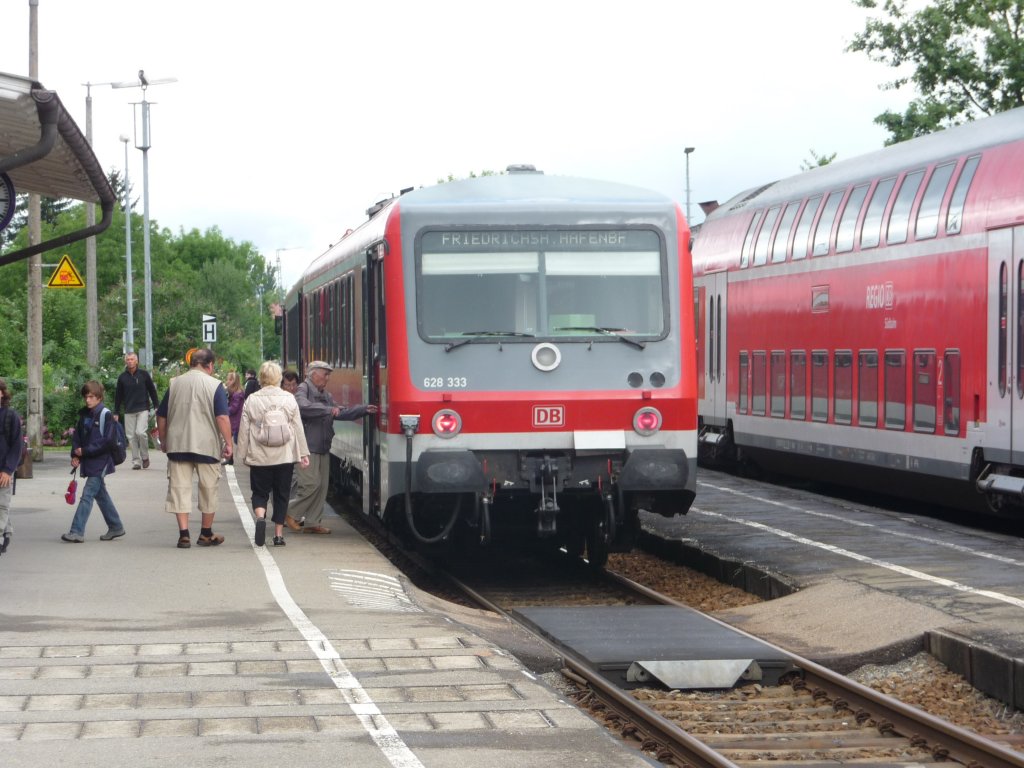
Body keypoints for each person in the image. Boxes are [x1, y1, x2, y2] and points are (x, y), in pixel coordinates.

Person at [286, 361, 377, 534]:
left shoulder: (325, 395)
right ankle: (290, 512)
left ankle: (313, 522)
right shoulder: (303, 390)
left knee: (321, 487)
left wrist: (363, 410)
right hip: (307, 447)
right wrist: (328, 410)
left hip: (323, 445)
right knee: (311, 484)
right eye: (325, 374)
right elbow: (302, 407)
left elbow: (339, 412)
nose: (328, 378)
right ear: (313, 374)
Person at [156, 348, 233, 549]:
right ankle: (206, 534)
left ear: (191, 363)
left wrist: (164, 440)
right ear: (210, 365)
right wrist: (229, 443)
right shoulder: (215, 385)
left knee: (179, 489)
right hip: (206, 446)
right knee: (209, 489)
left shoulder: (175, 383)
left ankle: (184, 535)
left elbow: (161, 415)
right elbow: (222, 417)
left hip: (178, 444)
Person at [237, 361, 310, 546]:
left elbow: (244, 428)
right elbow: (298, 427)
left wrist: (242, 454)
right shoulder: (289, 398)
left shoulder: (252, 399)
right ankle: (278, 535)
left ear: (261, 378)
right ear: (278, 378)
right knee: (281, 494)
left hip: (260, 456)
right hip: (284, 456)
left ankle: (260, 517)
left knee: (259, 492)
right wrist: (303, 453)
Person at [61, 381, 125, 543]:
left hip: (102, 461)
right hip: (90, 461)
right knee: (100, 494)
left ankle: (76, 531)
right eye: (86, 397)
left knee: (88, 494)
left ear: (99, 397)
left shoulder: (106, 414)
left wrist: (85, 451)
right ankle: (116, 526)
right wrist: (75, 455)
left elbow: (108, 442)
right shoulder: (85, 414)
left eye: (91, 397)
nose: (88, 400)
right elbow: (78, 437)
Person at [113, 352, 160, 470]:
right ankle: (136, 462)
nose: (130, 361)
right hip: (129, 410)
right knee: (131, 437)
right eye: (128, 359)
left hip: (143, 409)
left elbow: (152, 391)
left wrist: (156, 406)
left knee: (140, 433)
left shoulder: (143, 375)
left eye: (132, 359)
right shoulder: (122, 377)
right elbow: (118, 396)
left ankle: (145, 457)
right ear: (125, 361)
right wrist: (116, 412)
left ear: (136, 361)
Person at [0, 378, 22, 556]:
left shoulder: (10, 416)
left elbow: (16, 445)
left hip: (4, 470)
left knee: (1, 505)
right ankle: (6, 531)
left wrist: (8, 470)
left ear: (2, 393)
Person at [225, 370, 245, 444]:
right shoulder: (233, 392)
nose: (228, 381)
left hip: (235, 422)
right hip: (234, 421)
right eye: (228, 379)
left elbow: (233, 408)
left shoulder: (237, 394)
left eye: (230, 379)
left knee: (234, 442)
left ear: (235, 381)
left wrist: (224, 410)